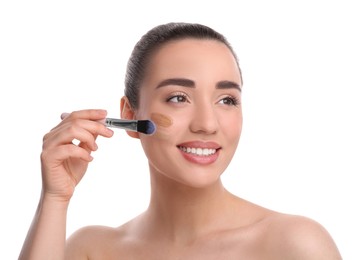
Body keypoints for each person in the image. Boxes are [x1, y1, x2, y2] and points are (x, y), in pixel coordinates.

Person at [19, 22, 342, 259]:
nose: (206, 124)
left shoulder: (294, 245)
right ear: (130, 115)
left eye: (226, 99)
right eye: (178, 97)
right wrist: (54, 199)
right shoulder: (93, 249)